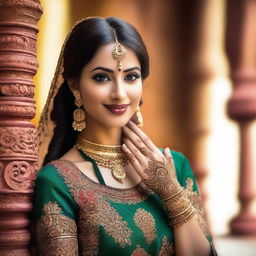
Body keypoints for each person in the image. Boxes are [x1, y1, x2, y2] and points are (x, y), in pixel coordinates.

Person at [34, 16, 217, 256]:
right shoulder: (57, 182)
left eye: (131, 76)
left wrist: (171, 194)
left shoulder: (174, 167)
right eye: (101, 77)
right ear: (74, 85)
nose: (119, 93)